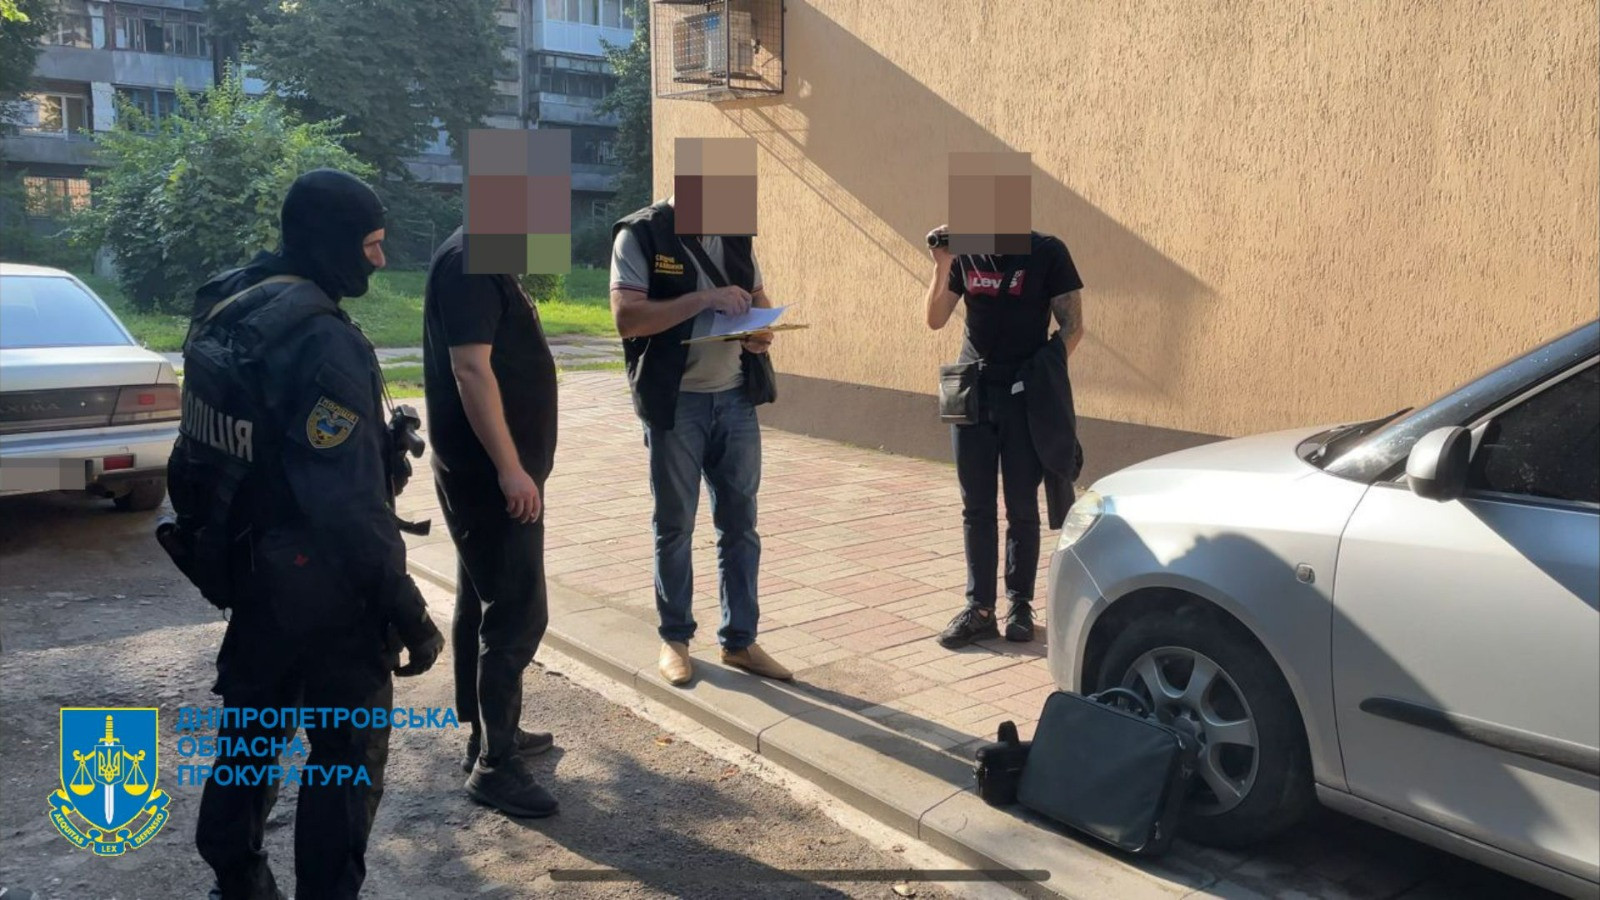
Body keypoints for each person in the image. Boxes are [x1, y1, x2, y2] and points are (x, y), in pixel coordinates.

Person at [174, 169, 446, 899]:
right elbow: (348, 506)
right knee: (344, 762)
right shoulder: (320, 340)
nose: (378, 261)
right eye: (371, 245)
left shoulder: (231, 300)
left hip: (250, 569)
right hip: (326, 590)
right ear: (331, 243)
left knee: (250, 736)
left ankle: (236, 882)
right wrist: (407, 610)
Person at [609, 195, 792, 686]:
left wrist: (761, 333)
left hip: (735, 399)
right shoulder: (641, 235)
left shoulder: (735, 235)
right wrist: (705, 299)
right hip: (676, 403)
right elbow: (627, 317)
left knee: (740, 525)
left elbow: (759, 302)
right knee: (675, 525)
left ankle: (741, 640)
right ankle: (675, 639)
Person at [421, 226, 560, 818]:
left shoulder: (485, 255)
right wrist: (510, 468)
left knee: (481, 603)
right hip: (489, 477)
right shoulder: (470, 260)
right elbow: (471, 370)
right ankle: (495, 766)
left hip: (487, 473)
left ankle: (488, 731)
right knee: (517, 612)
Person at [925, 225, 1085, 648]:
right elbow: (935, 319)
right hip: (972, 394)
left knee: (1021, 505)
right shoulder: (965, 253)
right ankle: (979, 608)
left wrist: (1042, 375)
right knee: (976, 506)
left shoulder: (1047, 251)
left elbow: (1073, 327)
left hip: (1023, 396)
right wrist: (942, 265)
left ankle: (1020, 605)